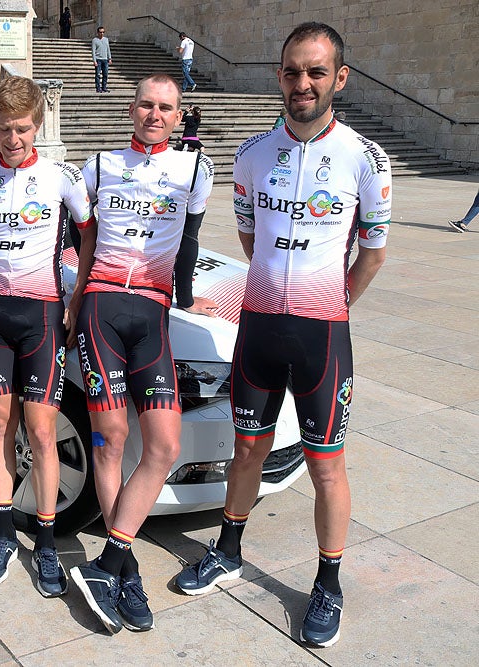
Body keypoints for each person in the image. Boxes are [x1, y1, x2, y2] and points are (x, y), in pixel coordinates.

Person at [174, 22, 391, 649]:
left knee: (326, 465)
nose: (303, 83)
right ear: (279, 76)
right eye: (293, 71)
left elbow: (372, 253)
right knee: (248, 450)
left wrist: (332, 303)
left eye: (316, 72)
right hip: (260, 329)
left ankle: (328, 582)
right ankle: (229, 549)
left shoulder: (363, 159)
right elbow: (250, 239)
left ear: (339, 78)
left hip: (323, 335)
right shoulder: (249, 155)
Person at [67, 73, 218, 634]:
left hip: (152, 316)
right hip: (102, 311)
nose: (155, 115)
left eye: (166, 108)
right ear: (131, 110)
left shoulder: (196, 170)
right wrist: (68, 304)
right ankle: (123, 569)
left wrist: (185, 299)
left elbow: (190, 241)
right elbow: (77, 241)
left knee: (165, 444)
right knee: (110, 443)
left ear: (178, 117)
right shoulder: (100, 165)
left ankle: (109, 560)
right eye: (147, 105)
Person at [0, 75, 93, 596]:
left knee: (40, 431)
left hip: (41, 317)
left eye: (23, 129)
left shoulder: (60, 177)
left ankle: (49, 541)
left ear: (38, 126)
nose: (13, 139)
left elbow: (90, 230)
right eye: (4, 129)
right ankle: (5, 533)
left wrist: (76, 297)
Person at [92, 26, 112, 93]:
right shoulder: (94, 40)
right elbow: (93, 51)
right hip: (98, 59)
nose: (102, 33)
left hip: (105, 59)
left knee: (105, 74)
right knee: (98, 74)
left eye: (103, 32)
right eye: (100, 32)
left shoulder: (106, 39)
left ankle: (104, 87)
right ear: (98, 33)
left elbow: (108, 49)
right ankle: (98, 88)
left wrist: (110, 58)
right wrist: (94, 61)